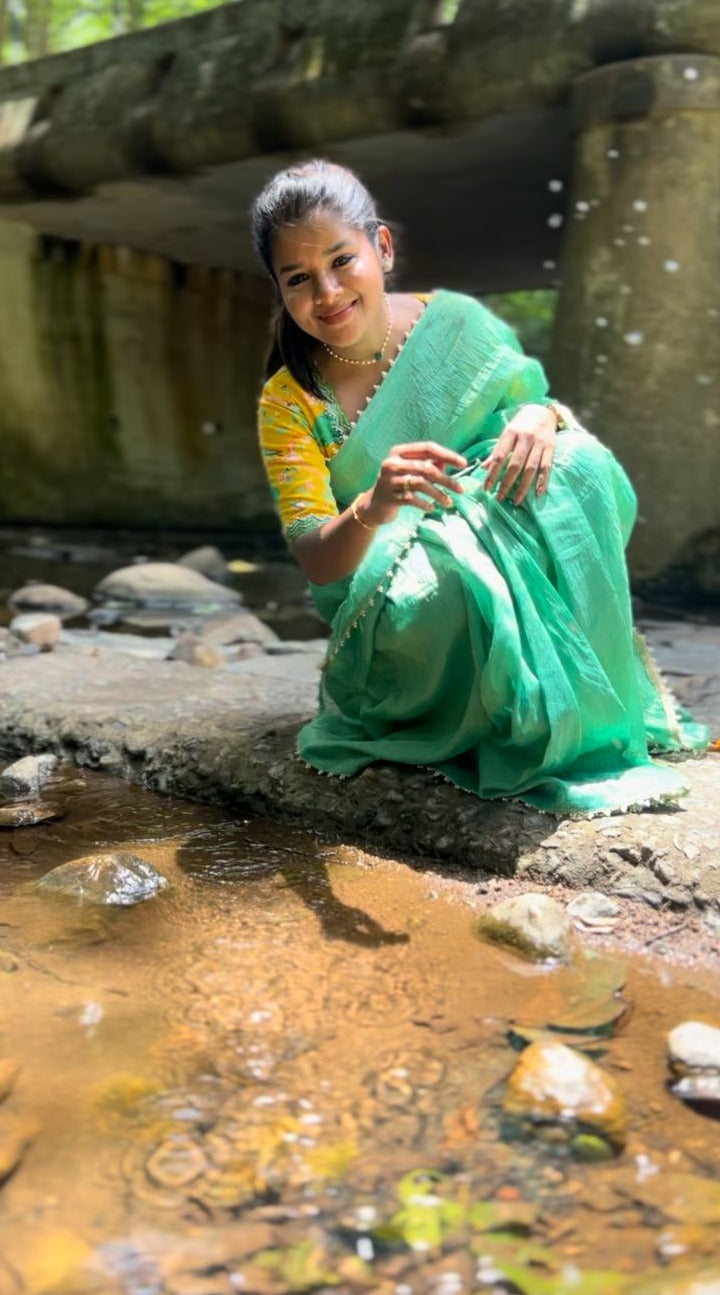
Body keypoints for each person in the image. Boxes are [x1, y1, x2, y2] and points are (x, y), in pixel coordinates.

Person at [252, 159, 706, 816]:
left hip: (492, 508)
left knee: (576, 464)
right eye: (298, 278)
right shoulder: (290, 401)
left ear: (381, 248)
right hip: (392, 587)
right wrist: (373, 506)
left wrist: (540, 415)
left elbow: (533, 404)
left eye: (341, 261)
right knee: (455, 576)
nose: (325, 292)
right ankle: (514, 717)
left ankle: (578, 710)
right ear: (280, 288)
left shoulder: (456, 322)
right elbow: (317, 559)